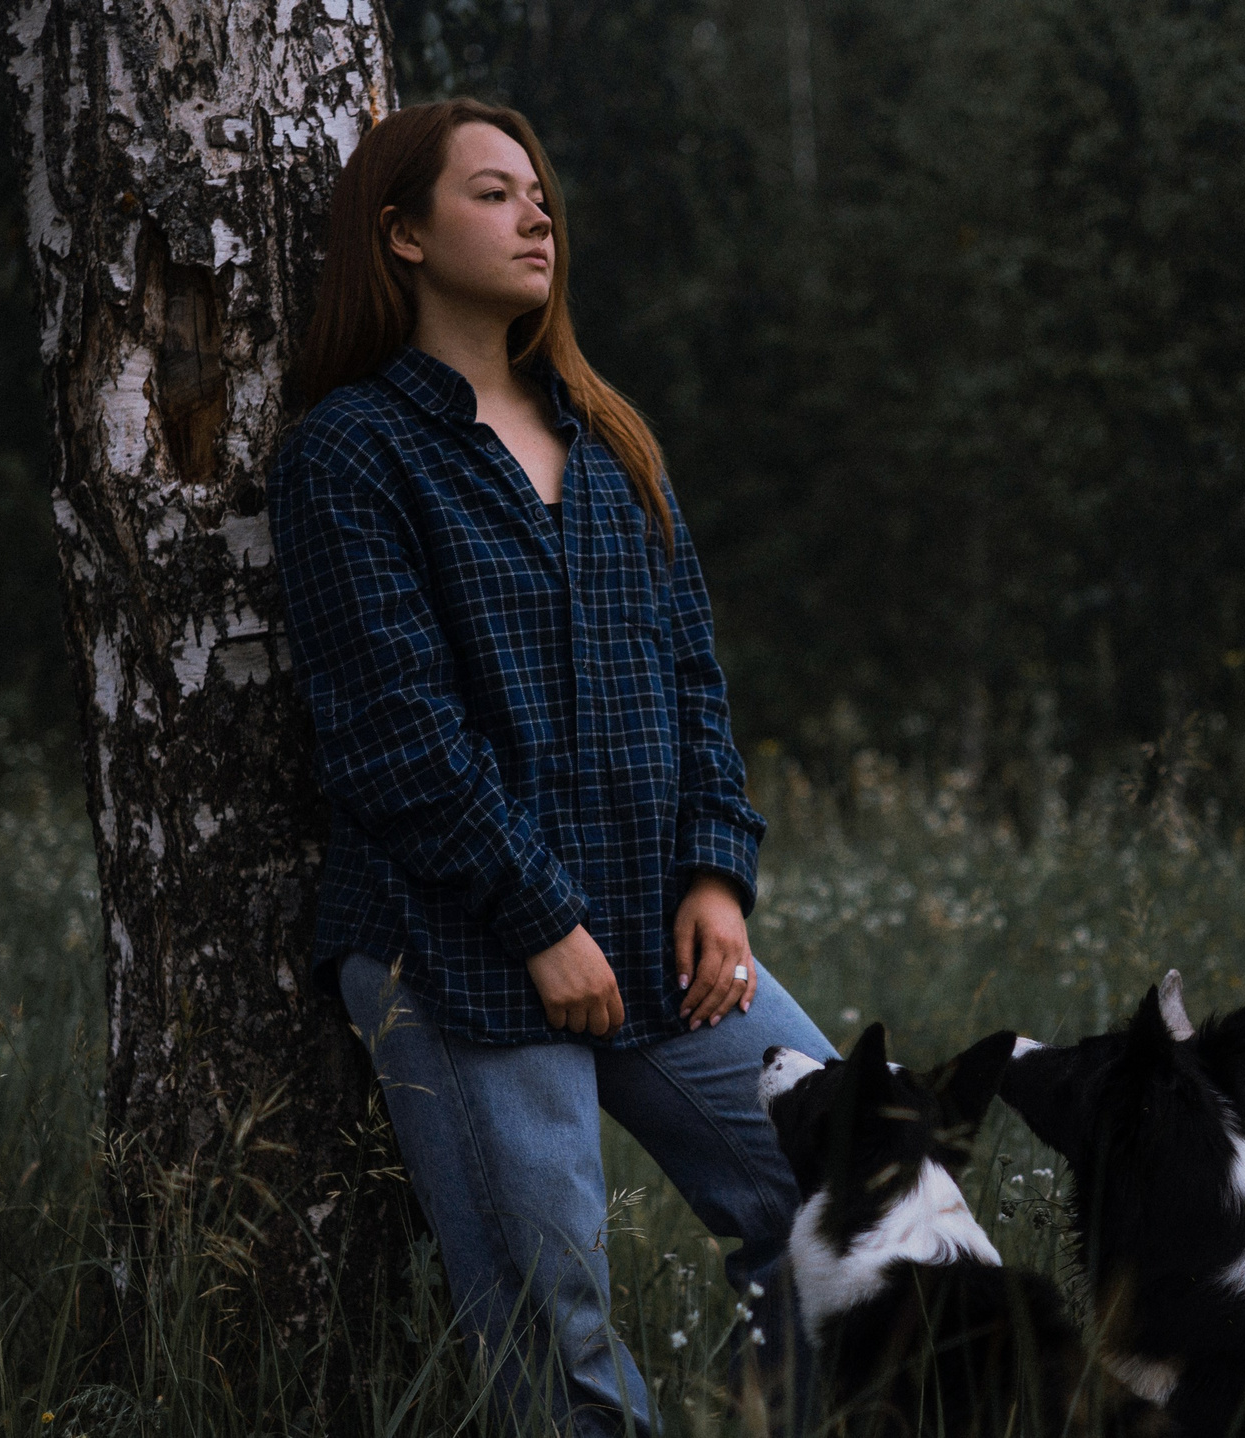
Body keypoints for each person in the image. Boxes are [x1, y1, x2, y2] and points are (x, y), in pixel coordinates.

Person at [268, 99, 835, 1436]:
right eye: (493, 193)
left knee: (853, 1194)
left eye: (541, 196)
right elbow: (393, 731)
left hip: (655, 918)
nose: (537, 215)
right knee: (555, 1330)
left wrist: (716, 871)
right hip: (459, 941)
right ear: (401, 235)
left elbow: (692, 671)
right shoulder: (350, 454)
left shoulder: (606, 433)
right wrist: (539, 919)